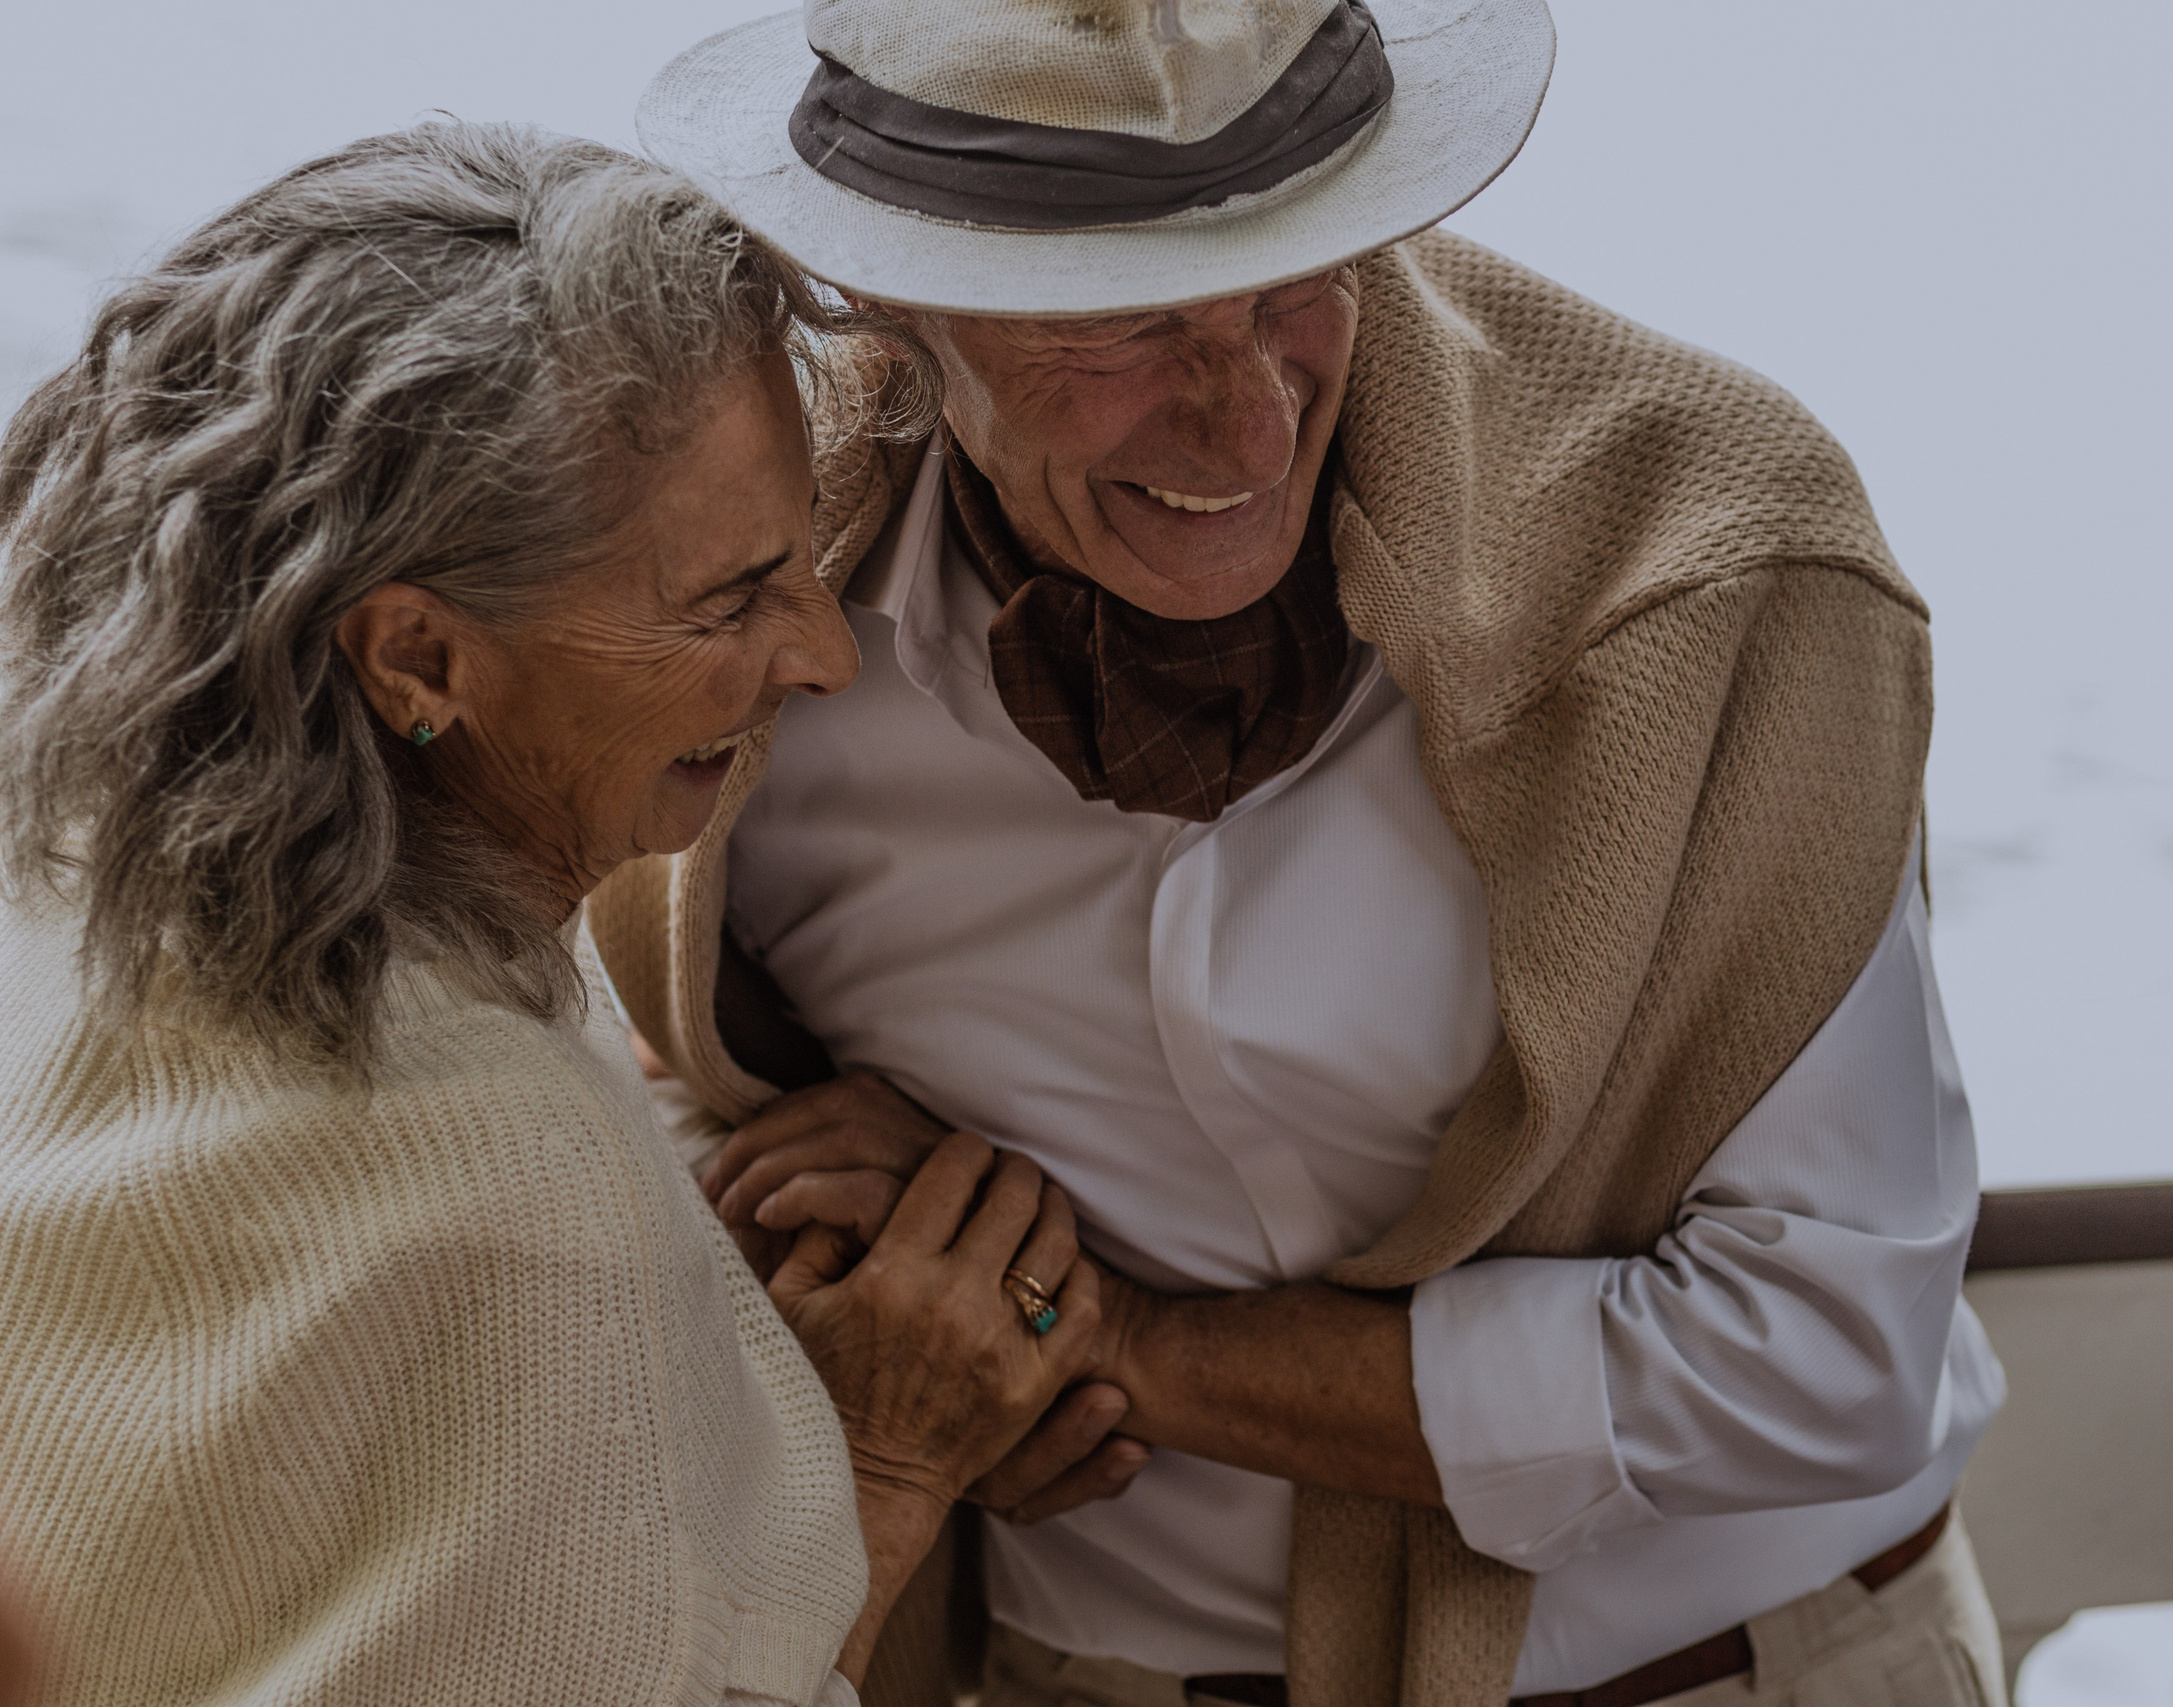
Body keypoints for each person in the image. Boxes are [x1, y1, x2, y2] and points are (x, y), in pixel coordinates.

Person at [606, 0, 2010, 1704]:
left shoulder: (1716, 579)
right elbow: (657, 1079)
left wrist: (1090, 1341)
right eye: (1123, 324)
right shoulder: (730, 603)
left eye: (1295, 278)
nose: (1252, 429)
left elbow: (1832, 1357)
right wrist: (865, 1312)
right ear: (891, 293)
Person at [0, 121, 1099, 1707]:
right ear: (420, 661)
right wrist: (882, 1453)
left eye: (810, 568)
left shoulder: (71, 812)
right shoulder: (516, 1185)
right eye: (731, 598)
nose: (825, 657)